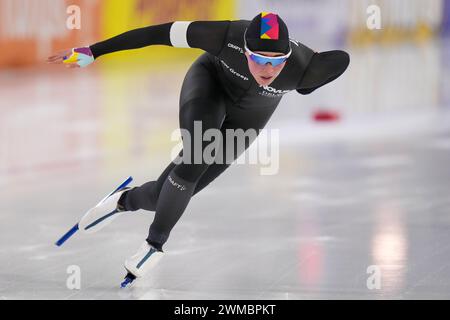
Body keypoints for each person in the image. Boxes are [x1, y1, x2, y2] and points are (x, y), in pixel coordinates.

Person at [48, 12, 350, 287]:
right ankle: (154, 245)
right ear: (244, 50)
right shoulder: (224, 36)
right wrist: (94, 51)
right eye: (258, 59)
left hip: (248, 120)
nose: (267, 69)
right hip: (209, 88)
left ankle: (123, 201)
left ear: (287, 58)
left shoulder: (305, 67)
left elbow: (341, 60)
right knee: (195, 158)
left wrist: (309, 83)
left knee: (163, 194)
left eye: (276, 61)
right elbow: (158, 32)